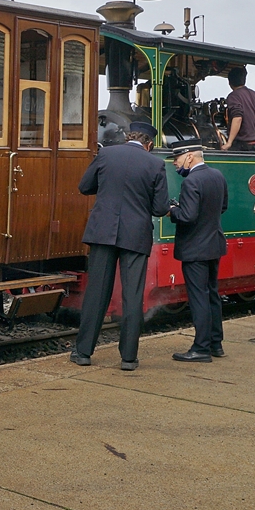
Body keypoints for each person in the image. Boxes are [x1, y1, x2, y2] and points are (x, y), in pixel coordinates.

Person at [73, 120, 171, 370]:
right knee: (132, 295)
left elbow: (84, 187)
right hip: (135, 235)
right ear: (148, 144)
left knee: (96, 293)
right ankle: (128, 357)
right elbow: (160, 209)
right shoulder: (156, 164)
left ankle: (83, 352)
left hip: (102, 231)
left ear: (129, 137)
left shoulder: (105, 154)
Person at [166, 138, 229, 363]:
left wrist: (173, 211)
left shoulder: (191, 182)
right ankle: (215, 343)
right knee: (212, 294)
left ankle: (200, 349)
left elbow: (188, 216)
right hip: (214, 244)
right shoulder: (217, 176)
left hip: (195, 248)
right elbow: (223, 207)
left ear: (190, 156)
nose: (175, 163)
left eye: (177, 158)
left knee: (198, 297)